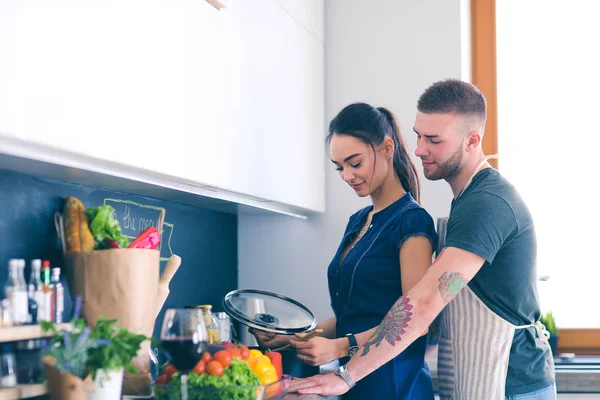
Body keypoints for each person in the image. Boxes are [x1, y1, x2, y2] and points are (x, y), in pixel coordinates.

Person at [290, 79, 556, 400]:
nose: (418, 149)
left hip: (511, 384)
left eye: (433, 139)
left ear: (472, 140)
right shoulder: (467, 200)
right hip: (481, 377)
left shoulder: (486, 204)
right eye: (418, 135)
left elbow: (426, 303)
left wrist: (346, 375)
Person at [251, 102, 438, 399]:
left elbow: (413, 324)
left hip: (396, 385)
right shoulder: (358, 222)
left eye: (355, 163)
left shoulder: (412, 222)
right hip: (354, 383)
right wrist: (294, 338)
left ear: (387, 148)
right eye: (340, 167)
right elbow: (355, 315)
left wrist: (339, 346)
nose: (347, 176)